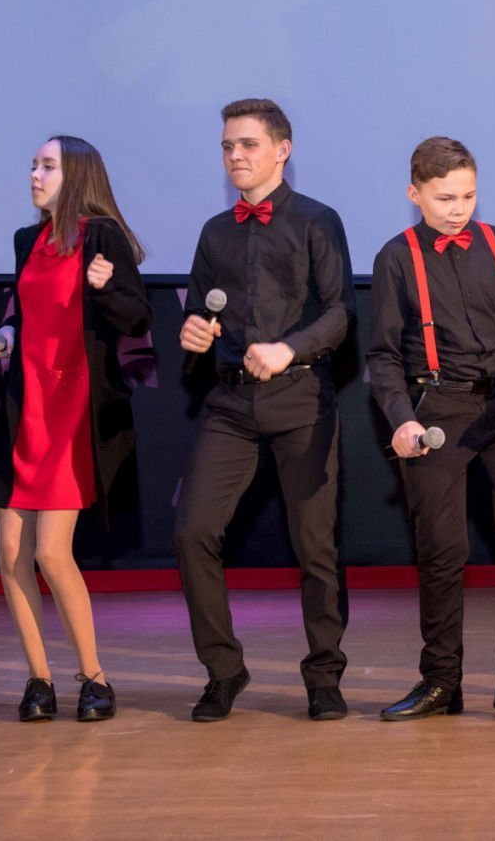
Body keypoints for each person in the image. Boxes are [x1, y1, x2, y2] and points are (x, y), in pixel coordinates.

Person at [367, 137, 495, 725]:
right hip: (435, 410)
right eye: (445, 198)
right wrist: (402, 419)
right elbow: (382, 356)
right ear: (414, 194)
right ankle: (440, 682)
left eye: (468, 196)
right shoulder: (396, 258)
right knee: (443, 550)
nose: (459, 210)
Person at [174, 98, 354, 721]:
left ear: (282, 150)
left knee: (315, 546)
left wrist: (288, 348)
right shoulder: (214, 232)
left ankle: (324, 675)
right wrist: (194, 332)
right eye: (227, 146)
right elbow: (198, 310)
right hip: (230, 403)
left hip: (300, 398)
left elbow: (341, 312)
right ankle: (224, 670)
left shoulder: (317, 221)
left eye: (247, 144)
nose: (235, 155)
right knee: (193, 531)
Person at [0, 136, 152, 722]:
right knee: (11, 553)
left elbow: (138, 318)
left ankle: (95, 679)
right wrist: (7, 335)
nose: (34, 174)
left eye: (47, 166)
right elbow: (28, 312)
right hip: (22, 404)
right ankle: (38, 681)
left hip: (72, 407)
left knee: (52, 553)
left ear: (76, 175)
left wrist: (105, 288)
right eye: (33, 165)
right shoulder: (26, 240)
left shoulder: (102, 236)